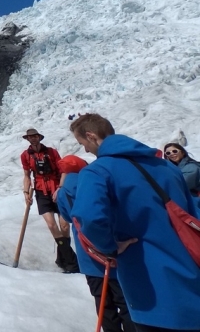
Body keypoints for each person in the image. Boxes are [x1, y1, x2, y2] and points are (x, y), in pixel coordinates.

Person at [70, 113, 200, 332]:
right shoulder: (167, 168)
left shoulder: (98, 172)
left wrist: (110, 247)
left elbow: (90, 217)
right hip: (191, 276)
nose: (84, 150)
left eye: (82, 143)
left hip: (150, 289)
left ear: (91, 136)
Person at [57, 170, 136, 332]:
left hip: (87, 257)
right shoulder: (97, 184)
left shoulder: (63, 194)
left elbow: (66, 217)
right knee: (125, 302)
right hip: (112, 253)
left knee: (103, 304)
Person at [20, 128, 79, 273]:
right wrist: (26, 192)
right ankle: (71, 263)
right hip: (41, 191)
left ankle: (62, 259)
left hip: (57, 189)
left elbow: (63, 170)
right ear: (27, 139)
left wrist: (61, 187)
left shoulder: (52, 152)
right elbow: (27, 175)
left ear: (39, 137)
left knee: (64, 226)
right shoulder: (25, 155)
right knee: (52, 225)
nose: (33, 139)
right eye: (30, 137)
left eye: (35, 136)